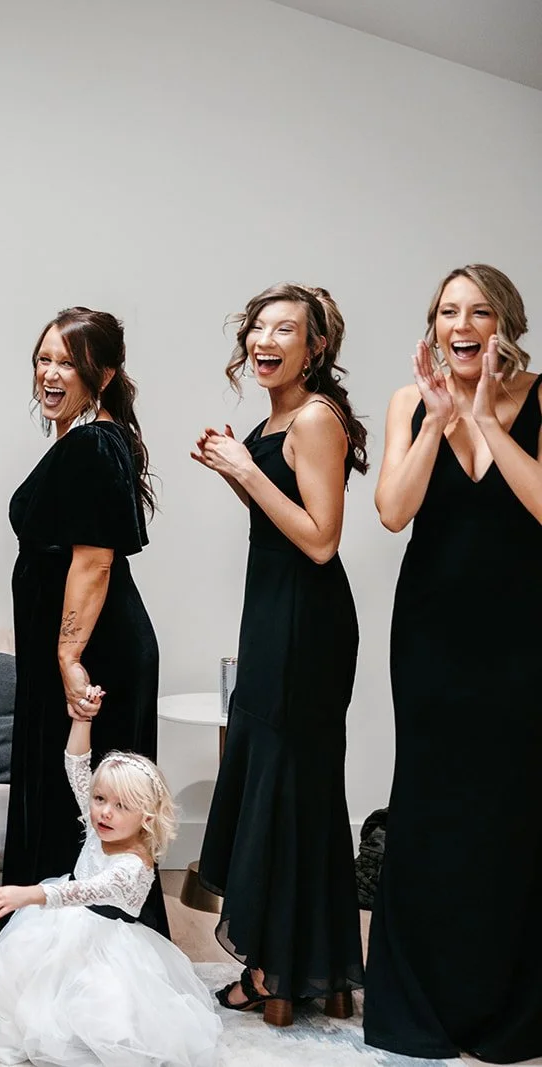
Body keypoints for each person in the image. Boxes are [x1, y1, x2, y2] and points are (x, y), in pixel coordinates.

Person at [366, 264, 542, 1061]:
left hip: (522, 638)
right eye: (446, 311)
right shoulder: (412, 402)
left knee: (512, 807)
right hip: (431, 637)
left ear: (506, 323)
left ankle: (508, 1008)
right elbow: (393, 510)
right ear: (433, 327)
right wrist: (440, 420)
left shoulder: (539, 396)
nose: (460, 324)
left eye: (477, 311)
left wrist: (487, 419)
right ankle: (420, 1003)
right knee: (430, 804)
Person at [192, 283, 366, 1026]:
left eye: (284, 330)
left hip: (306, 622)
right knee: (284, 784)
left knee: (287, 788)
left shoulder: (319, 417)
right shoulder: (280, 416)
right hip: (275, 611)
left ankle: (274, 970)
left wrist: (245, 467)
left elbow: (321, 539)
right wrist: (237, 471)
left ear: (315, 347)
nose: (265, 340)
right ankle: (303, 965)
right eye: (258, 328)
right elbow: (281, 518)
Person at [3, 308, 168, 937]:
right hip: (79, 649)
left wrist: (69, 658)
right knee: (79, 809)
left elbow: (95, 562)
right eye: (43, 359)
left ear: (103, 372)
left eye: (66, 362)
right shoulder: (88, 438)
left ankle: (95, 971)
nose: (49, 374)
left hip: (95, 653)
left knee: (97, 814)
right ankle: (52, 959)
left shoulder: (95, 443)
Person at [0, 708, 219, 1067]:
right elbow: (76, 767)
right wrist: (82, 721)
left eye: (121, 806)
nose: (104, 812)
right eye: (100, 800)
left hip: (106, 941)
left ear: (147, 818)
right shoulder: (100, 827)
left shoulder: (133, 866)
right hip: (61, 926)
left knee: (100, 1008)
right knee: (23, 981)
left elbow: (84, 891)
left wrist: (28, 894)